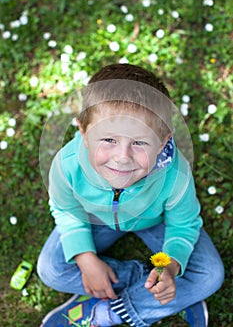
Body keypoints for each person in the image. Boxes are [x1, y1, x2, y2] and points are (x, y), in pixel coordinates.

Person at [37, 64, 224, 327]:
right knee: (51, 269)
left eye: (139, 143)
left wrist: (170, 266)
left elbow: (184, 225)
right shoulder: (67, 164)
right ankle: (153, 285)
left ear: (162, 142)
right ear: (84, 132)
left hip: (155, 221)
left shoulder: (174, 173)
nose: (122, 157)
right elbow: (67, 210)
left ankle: (109, 312)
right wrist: (86, 259)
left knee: (209, 274)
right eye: (109, 140)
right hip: (95, 220)